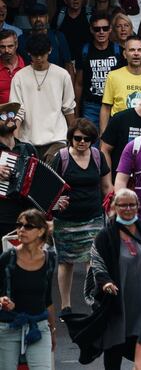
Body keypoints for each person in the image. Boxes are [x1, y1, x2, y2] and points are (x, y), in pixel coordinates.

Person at [88, 189, 141, 370]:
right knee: (113, 354)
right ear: (114, 207)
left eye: (132, 204)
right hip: (117, 305)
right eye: (123, 205)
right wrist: (106, 282)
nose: (128, 208)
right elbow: (96, 262)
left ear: (138, 206)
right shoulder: (105, 236)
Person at [49, 119, 112, 315]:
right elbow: (48, 188)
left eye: (87, 139)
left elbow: (106, 186)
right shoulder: (61, 157)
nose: (82, 142)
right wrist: (55, 205)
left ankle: (92, 299)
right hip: (66, 219)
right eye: (77, 138)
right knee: (66, 262)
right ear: (70, 138)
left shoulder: (97, 156)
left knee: (92, 260)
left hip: (93, 217)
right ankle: (66, 306)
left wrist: (112, 208)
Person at [0, 210, 57, 370]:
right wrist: (1, 300)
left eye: (28, 226)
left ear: (41, 231)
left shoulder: (50, 259)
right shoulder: (7, 257)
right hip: (8, 326)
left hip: (38, 326)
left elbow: (48, 299)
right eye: (19, 225)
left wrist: (52, 330)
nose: (21, 229)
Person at [10, 33, 76, 160]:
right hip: (28, 141)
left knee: (53, 178)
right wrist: (16, 144)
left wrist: (72, 137)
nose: (39, 58)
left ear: (50, 50)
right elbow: (17, 112)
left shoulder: (62, 75)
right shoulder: (19, 77)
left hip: (57, 139)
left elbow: (69, 108)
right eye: (35, 55)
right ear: (29, 53)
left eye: (43, 54)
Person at [99, 35, 141, 131]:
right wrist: (103, 134)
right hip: (119, 128)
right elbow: (106, 108)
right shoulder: (113, 76)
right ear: (125, 54)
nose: (136, 53)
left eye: (140, 50)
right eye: (132, 50)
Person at [75, 13, 126, 126]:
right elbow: (79, 83)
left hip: (115, 104)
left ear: (110, 29)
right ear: (91, 30)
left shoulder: (119, 51)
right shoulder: (84, 51)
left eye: (105, 28)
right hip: (91, 105)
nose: (101, 32)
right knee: (91, 140)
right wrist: (76, 110)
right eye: (97, 29)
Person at [0, 102, 36, 237]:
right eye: (3, 117)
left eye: (10, 114)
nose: (9, 118)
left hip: (25, 219)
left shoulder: (27, 149)